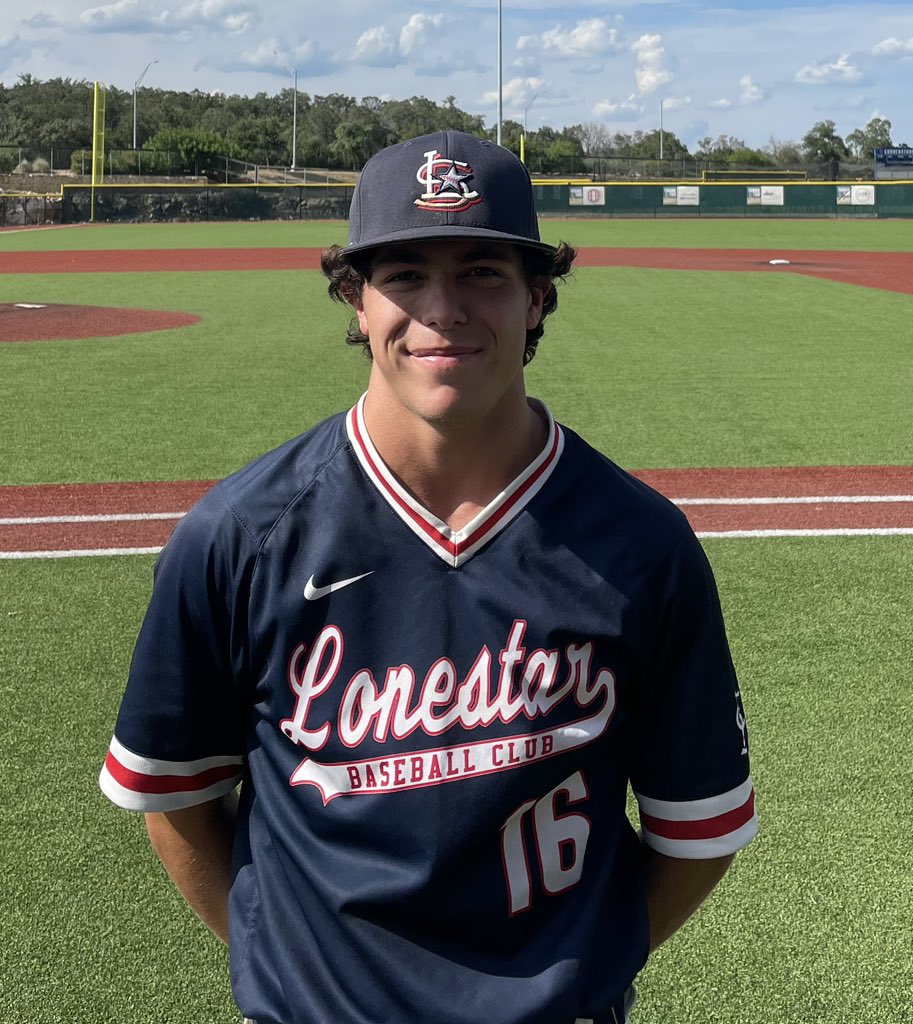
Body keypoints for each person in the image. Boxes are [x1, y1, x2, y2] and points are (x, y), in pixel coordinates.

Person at [99, 130, 757, 1024]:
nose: (442, 309)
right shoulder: (240, 535)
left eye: (483, 271)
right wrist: (296, 973)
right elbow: (175, 798)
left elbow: (697, 834)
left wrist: (570, 976)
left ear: (539, 297)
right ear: (355, 300)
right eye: (403, 275)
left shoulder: (641, 543)